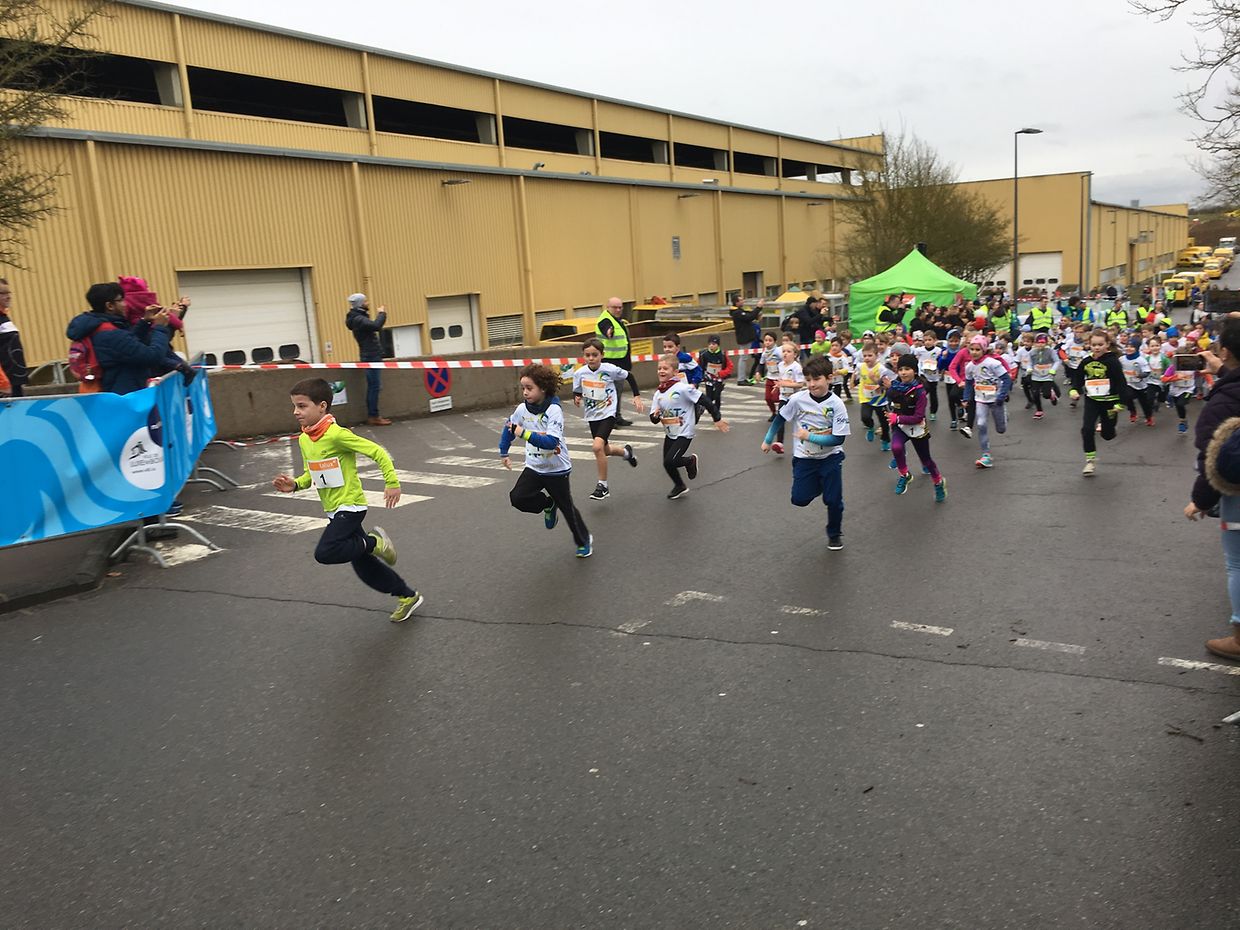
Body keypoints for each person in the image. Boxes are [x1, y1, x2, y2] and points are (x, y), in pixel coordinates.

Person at [271, 377, 423, 622]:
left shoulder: (337, 435)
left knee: (325, 552)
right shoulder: (305, 439)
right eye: (294, 406)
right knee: (364, 566)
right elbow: (311, 474)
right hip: (333, 509)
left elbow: (377, 451)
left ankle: (374, 542)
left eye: (302, 406)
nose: (296, 412)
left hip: (350, 506)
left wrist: (392, 482)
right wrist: (296, 484)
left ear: (322, 406)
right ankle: (407, 595)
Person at [1183, 318, 1240, 661]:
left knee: (1238, 563)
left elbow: (1213, 455)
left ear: (1226, 351)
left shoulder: (1225, 400)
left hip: (1237, 496)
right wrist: (1223, 371)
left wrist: (1200, 501)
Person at [500, 363, 593, 556]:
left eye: (529, 388)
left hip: (556, 469)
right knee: (517, 498)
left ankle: (583, 540)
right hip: (534, 467)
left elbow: (551, 442)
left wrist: (523, 433)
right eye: (523, 388)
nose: (525, 392)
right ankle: (547, 504)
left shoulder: (553, 410)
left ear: (542, 388)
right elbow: (509, 427)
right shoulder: (522, 409)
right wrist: (504, 451)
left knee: (567, 508)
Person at [760, 355, 850, 550]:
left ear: (829, 378)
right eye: (808, 380)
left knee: (833, 500)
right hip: (805, 458)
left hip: (831, 457)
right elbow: (780, 418)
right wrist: (768, 440)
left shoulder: (836, 404)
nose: (811, 384)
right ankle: (820, 484)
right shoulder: (797, 399)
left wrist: (810, 436)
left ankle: (834, 534)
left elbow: (838, 439)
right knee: (799, 499)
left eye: (816, 379)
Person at [65, 283, 175, 395]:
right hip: (125, 396)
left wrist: (145, 321)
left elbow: (129, 343)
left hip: (113, 392)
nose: (125, 304)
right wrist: (160, 327)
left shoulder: (97, 326)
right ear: (110, 306)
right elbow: (152, 356)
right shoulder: (111, 334)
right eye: (121, 300)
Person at [571, 337, 642, 501]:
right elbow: (577, 390)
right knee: (605, 449)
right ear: (583, 356)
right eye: (587, 355)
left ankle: (603, 486)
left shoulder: (610, 369)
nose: (591, 358)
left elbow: (629, 376)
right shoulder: (579, 373)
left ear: (602, 355)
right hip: (592, 415)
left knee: (597, 447)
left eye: (595, 355)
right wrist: (577, 397)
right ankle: (627, 453)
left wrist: (637, 396)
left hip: (608, 414)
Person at [649, 353, 728, 499]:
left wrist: (717, 418)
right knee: (667, 464)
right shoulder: (658, 394)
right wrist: (655, 416)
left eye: (665, 368)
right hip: (670, 432)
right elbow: (653, 418)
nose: (661, 371)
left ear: (675, 372)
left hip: (684, 431)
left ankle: (690, 460)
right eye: (659, 368)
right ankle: (680, 486)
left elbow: (705, 400)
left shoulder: (683, 389)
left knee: (671, 460)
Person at [886, 354, 947, 502]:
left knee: (926, 461)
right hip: (900, 426)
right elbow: (890, 404)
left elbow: (918, 417)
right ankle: (905, 475)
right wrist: (890, 415)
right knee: (896, 447)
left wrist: (897, 418)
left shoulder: (920, 391)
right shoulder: (894, 387)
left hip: (916, 428)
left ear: (915, 370)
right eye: (901, 369)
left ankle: (938, 482)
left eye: (907, 369)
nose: (903, 372)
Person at [1079, 329, 1127, 476]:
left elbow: (1121, 382)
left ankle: (1110, 428)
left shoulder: (1112, 362)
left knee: (1107, 435)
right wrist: (1074, 389)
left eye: (1100, 344)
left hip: (1110, 402)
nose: (1097, 348)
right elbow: (1077, 377)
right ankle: (1090, 461)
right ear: (1089, 345)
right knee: (1087, 429)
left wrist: (1121, 402)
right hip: (1092, 400)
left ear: (1107, 344)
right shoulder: (1086, 361)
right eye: (1094, 345)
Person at [964, 335, 1011, 469]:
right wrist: (966, 398)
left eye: (977, 350)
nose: (974, 352)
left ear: (984, 350)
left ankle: (1004, 415)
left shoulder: (993, 363)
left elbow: (1006, 379)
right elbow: (968, 383)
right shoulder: (969, 366)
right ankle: (986, 455)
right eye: (972, 349)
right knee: (981, 424)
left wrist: (1002, 395)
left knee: (1001, 429)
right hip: (980, 399)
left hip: (996, 399)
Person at [345, 293, 391, 426]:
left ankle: (373, 415)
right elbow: (376, 326)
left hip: (369, 355)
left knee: (373, 386)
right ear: (360, 304)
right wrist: (382, 313)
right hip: (371, 356)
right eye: (365, 301)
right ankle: (373, 416)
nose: (367, 303)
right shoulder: (359, 319)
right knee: (374, 387)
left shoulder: (356, 318)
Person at [595, 297, 640, 425]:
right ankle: (610, 419)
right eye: (615, 307)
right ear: (608, 307)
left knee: (617, 391)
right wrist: (609, 331)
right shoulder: (605, 320)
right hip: (610, 362)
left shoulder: (617, 320)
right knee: (611, 392)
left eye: (620, 307)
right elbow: (606, 328)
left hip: (620, 362)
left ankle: (616, 417)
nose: (618, 310)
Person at [853, 345, 893, 451]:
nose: (867, 358)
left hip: (879, 398)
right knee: (865, 417)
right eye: (865, 356)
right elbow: (856, 375)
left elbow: (885, 384)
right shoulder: (860, 366)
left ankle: (885, 440)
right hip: (866, 397)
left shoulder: (881, 369)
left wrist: (874, 379)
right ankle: (870, 427)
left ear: (877, 356)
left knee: (884, 422)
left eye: (870, 355)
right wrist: (853, 381)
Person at [770, 341, 805, 454]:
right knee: (780, 418)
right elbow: (781, 380)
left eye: (788, 351)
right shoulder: (780, 365)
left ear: (795, 354)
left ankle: (804, 442)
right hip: (784, 397)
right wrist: (778, 386)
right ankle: (779, 443)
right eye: (783, 351)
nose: (785, 353)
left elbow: (800, 384)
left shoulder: (796, 367)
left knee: (798, 421)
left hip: (795, 398)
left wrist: (786, 384)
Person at [0, 279, 28, 397]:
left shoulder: (4, 317)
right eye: (3, 293)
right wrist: (3, 384)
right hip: (5, 387)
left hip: (14, 381)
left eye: (8, 292)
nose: (8, 296)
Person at [729, 295, 765, 384]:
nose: (743, 301)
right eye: (741, 300)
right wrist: (758, 307)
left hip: (747, 337)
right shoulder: (737, 313)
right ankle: (741, 379)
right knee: (743, 358)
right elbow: (749, 317)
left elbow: (750, 315)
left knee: (745, 358)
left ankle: (743, 378)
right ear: (736, 302)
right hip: (744, 338)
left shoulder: (740, 311)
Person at [697, 334, 734, 417]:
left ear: (718, 345)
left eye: (713, 344)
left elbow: (730, 366)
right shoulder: (704, 354)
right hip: (708, 378)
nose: (711, 346)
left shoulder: (722, 354)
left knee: (717, 396)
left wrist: (722, 373)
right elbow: (698, 365)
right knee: (709, 397)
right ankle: (710, 410)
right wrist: (700, 375)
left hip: (719, 378)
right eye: (710, 344)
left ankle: (717, 413)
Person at [1027, 334, 1060, 419]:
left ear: (1046, 343)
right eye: (1038, 343)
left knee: (1046, 395)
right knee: (1035, 394)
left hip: (1047, 375)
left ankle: (1052, 395)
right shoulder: (1032, 352)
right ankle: (1039, 410)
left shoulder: (1051, 351)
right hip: (1035, 375)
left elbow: (1057, 361)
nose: (1040, 345)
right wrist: (1029, 368)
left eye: (1042, 343)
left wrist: (1053, 369)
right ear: (1035, 343)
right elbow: (1029, 362)